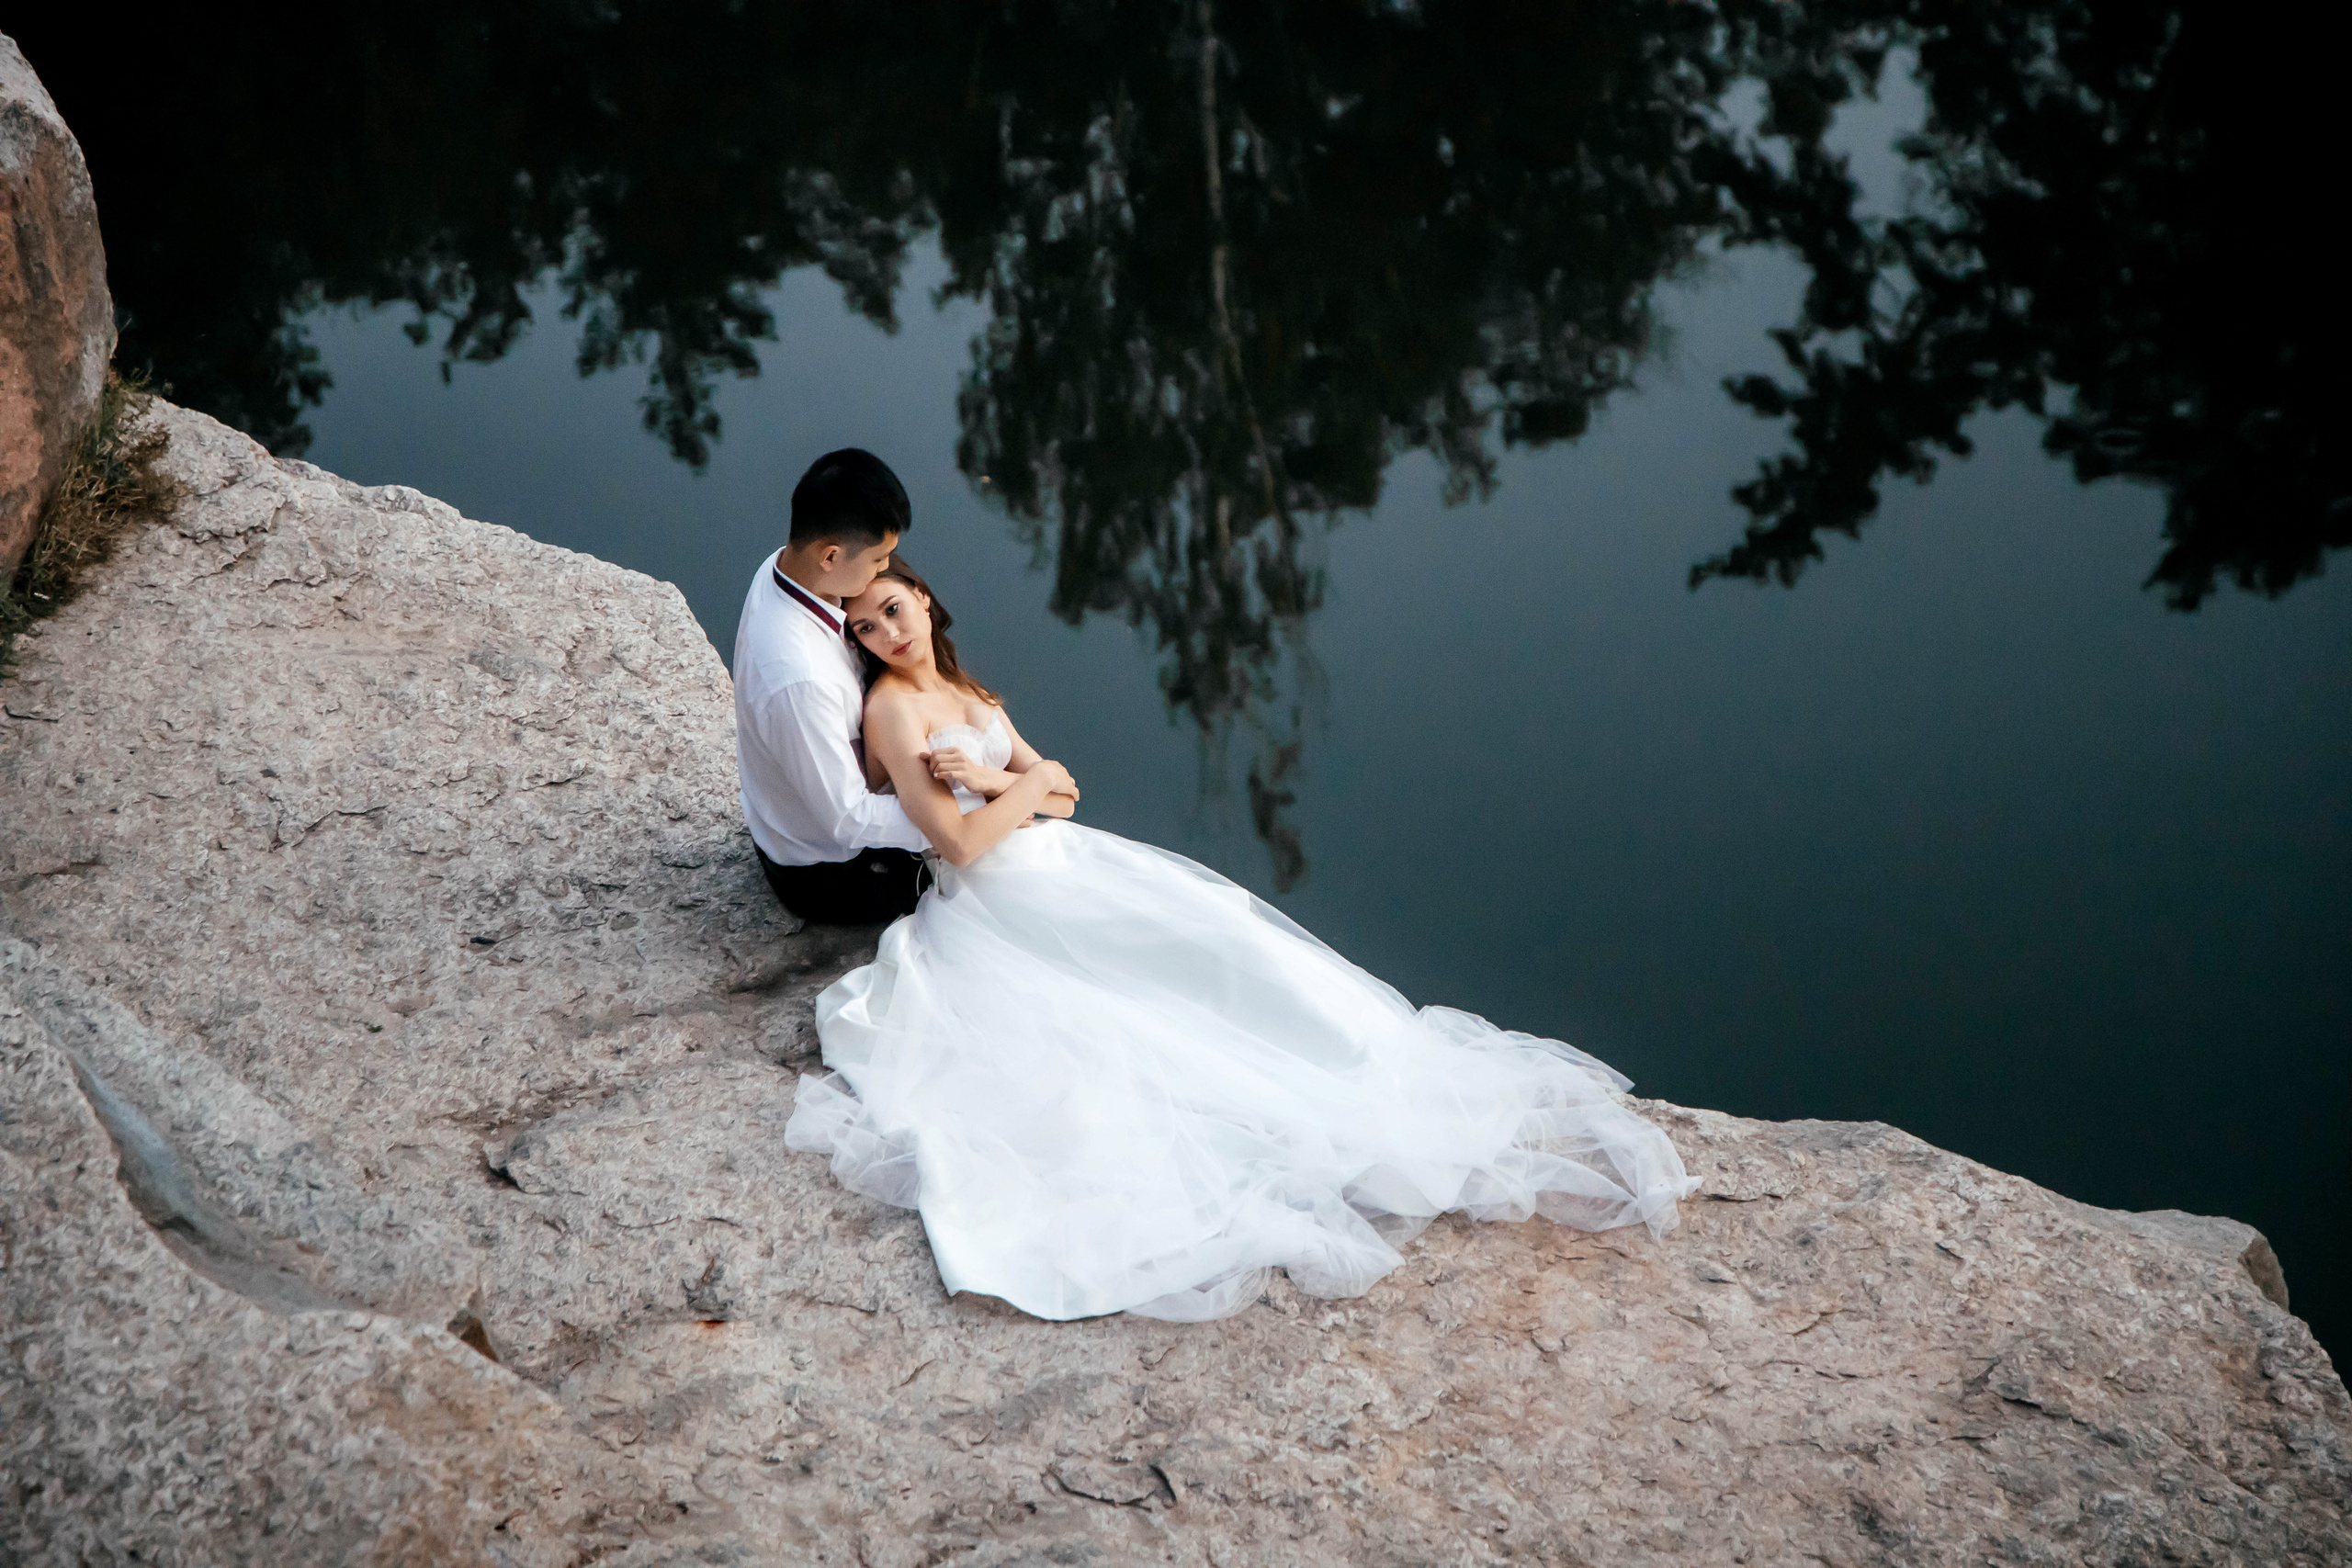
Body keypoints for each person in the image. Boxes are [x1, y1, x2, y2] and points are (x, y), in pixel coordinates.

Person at [785, 556, 1700, 1322]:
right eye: (864, 628)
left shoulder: (960, 687)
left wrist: (1005, 780)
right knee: (1152, 1012)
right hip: (999, 901)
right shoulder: (895, 712)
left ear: (925, 599)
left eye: (893, 610)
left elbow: (1064, 792)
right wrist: (1013, 788)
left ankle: (1357, 1075)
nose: (886, 634)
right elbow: (964, 840)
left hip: (1065, 861)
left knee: (1228, 939)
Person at [732, 449, 937, 924]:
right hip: (828, 871)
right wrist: (949, 822)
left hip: (801, 808)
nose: (885, 569)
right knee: (981, 884)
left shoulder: (783, 567)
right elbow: (847, 820)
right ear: (830, 555)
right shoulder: (799, 678)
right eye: (877, 559)